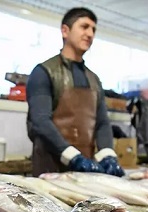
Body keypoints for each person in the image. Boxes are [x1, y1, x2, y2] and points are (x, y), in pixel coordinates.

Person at [25, 7, 123, 177]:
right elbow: (40, 121)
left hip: (86, 170)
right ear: (65, 30)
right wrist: (72, 157)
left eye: (93, 29)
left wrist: (108, 154)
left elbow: (102, 122)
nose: (90, 33)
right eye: (84, 27)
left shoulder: (94, 79)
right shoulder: (44, 72)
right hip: (50, 170)